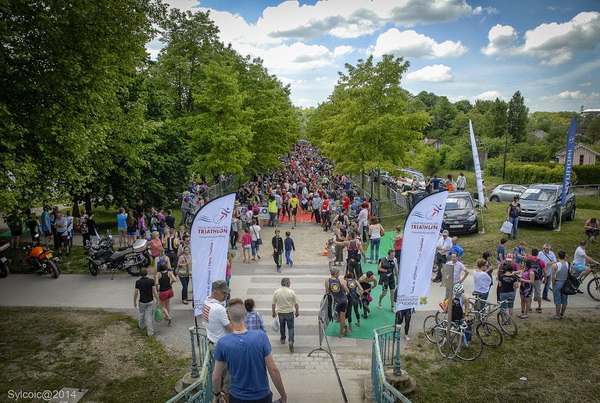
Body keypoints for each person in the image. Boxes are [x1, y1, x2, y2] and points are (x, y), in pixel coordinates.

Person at [212, 299, 288, 403]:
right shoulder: (261, 337)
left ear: (228, 316)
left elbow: (216, 376)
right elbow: (273, 370)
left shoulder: (223, 343)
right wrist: (283, 395)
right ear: (245, 314)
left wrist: (216, 393)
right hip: (262, 396)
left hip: (237, 397)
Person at [202, 280, 233, 397]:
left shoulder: (206, 303)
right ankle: (226, 398)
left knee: (217, 374)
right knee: (228, 379)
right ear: (215, 292)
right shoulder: (218, 308)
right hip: (222, 346)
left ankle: (218, 394)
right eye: (224, 293)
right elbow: (231, 329)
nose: (226, 295)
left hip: (212, 343)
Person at [272, 278, 299, 353]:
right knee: (291, 327)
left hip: (281, 312)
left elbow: (273, 303)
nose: (290, 284)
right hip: (289, 312)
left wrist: (273, 312)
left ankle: (283, 339)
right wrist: (297, 311)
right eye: (289, 282)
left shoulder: (276, 292)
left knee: (282, 326)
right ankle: (291, 340)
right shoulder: (291, 292)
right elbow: (296, 303)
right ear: (287, 283)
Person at [133, 267, 159, 337]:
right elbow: (154, 291)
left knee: (141, 313)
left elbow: (136, 292)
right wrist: (157, 299)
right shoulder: (151, 281)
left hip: (142, 301)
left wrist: (134, 301)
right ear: (147, 273)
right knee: (149, 316)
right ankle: (150, 332)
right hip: (150, 300)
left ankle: (141, 326)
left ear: (140, 274)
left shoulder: (138, 282)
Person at [326, 267, 349, 337]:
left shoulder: (327, 280)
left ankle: (344, 329)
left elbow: (327, 292)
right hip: (343, 300)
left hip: (337, 301)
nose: (339, 274)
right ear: (335, 274)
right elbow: (347, 291)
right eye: (338, 273)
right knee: (342, 317)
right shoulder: (341, 281)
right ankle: (342, 331)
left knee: (338, 315)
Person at [551, 250, 571, 320]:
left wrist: (553, 284)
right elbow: (571, 273)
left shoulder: (555, 265)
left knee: (557, 300)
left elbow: (553, 276)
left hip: (558, 282)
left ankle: (557, 315)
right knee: (564, 299)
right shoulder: (568, 264)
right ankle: (562, 314)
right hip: (565, 282)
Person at [529, 249, 547, 313]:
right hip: (538, 279)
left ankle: (529, 307)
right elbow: (545, 271)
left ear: (531, 253)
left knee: (530, 293)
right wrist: (545, 279)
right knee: (538, 293)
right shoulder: (541, 262)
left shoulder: (529, 261)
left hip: (530, 279)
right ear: (537, 254)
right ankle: (539, 306)